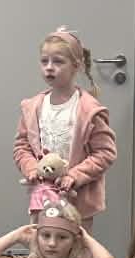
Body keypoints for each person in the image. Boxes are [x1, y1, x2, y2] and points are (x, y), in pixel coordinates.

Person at [13, 25, 116, 231]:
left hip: (78, 202)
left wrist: (74, 176)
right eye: (44, 61)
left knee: (77, 248)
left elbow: (105, 153)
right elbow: (21, 146)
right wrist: (32, 168)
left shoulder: (89, 110)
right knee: (42, 244)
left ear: (76, 65)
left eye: (58, 61)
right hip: (42, 200)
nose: (49, 67)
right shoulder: (32, 107)